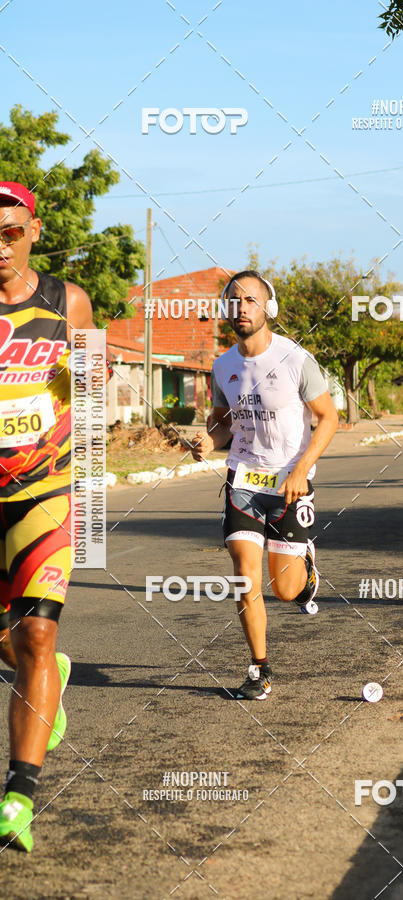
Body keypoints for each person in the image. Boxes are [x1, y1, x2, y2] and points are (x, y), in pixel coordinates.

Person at [0, 182, 98, 852]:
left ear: (33, 231)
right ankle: (49, 680)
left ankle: (18, 796)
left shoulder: (68, 302)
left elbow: (87, 389)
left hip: (46, 488)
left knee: (36, 633)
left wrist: (81, 481)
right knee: (20, 646)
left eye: (11, 232)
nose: (0, 246)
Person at [192, 270, 338, 700]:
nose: (241, 309)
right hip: (243, 479)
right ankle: (259, 668)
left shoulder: (296, 359)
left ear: (267, 307)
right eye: (234, 301)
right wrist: (207, 440)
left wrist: (302, 468)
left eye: (250, 300)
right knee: (244, 577)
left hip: (291, 483)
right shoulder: (223, 366)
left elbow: (329, 418)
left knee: (286, 590)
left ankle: (306, 572)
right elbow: (222, 428)